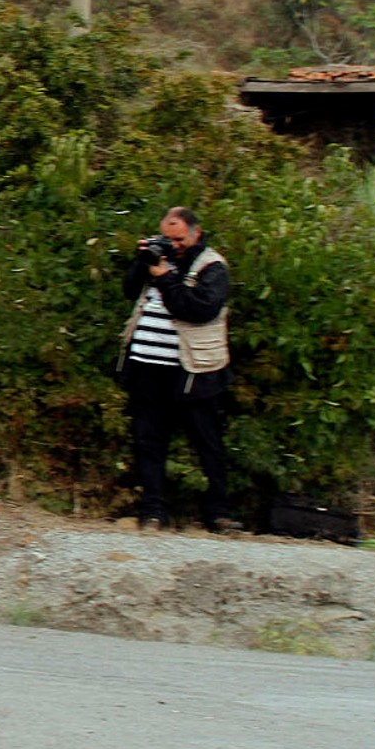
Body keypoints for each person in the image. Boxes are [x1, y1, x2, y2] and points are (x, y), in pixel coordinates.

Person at [119, 207, 236, 533]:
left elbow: (198, 309)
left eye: (179, 239)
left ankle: (218, 513)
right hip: (147, 364)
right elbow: (129, 291)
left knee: (207, 442)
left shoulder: (212, 267)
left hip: (193, 370)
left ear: (197, 233)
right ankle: (153, 511)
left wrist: (165, 278)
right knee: (149, 441)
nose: (174, 245)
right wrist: (142, 261)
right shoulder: (157, 258)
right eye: (167, 238)